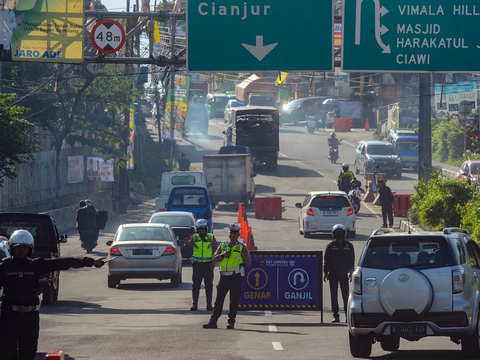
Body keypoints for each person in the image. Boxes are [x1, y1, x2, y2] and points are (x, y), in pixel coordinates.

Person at [0, 230, 105, 359]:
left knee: (28, 353)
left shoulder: (36, 265)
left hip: (30, 317)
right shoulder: (4, 267)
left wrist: (91, 261)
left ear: (30, 249)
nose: (21, 251)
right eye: (18, 248)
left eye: (24, 248)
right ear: (12, 248)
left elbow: (64, 262)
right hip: (9, 317)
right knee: (6, 353)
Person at [203, 224, 251, 330]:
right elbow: (214, 258)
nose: (232, 235)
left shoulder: (241, 247)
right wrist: (223, 255)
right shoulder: (223, 245)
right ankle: (213, 322)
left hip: (236, 277)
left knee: (233, 301)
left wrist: (239, 266)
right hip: (224, 277)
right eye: (231, 233)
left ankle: (231, 323)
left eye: (235, 233)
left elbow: (248, 263)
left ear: (238, 234)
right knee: (219, 301)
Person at [323, 224, 355, 323]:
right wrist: (325, 272)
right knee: (333, 295)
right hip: (333, 274)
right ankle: (336, 316)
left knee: (345, 296)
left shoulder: (349, 246)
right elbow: (326, 260)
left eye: (340, 233)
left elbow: (352, 260)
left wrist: (351, 272)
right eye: (337, 233)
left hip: (343, 274)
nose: (339, 235)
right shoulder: (330, 245)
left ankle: (347, 316)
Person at [184, 219, 217, 311]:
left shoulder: (211, 237)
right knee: (196, 285)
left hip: (208, 265)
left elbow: (216, 251)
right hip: (197, 265)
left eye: (203, 228)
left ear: (206, 228)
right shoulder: (194, 238)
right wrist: (186, 244)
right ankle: (195, 304)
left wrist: (214, 262)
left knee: (209, 285)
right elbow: (188, 246)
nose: (201, 230)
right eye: (199, 228)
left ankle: (209, 304)